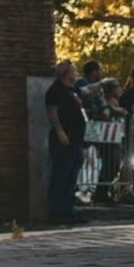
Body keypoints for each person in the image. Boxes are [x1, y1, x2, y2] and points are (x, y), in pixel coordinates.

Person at [44, 60, 86, 226]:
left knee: (71, 177)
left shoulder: (73, 90)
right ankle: (56, 212)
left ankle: (68, 211)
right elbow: (52, 112)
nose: (75, 74)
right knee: (60, 175)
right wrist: (60, 131)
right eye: (73, 71)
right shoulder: (55, 91)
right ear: (66, 73)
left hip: (77, 138)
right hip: (64, 138)